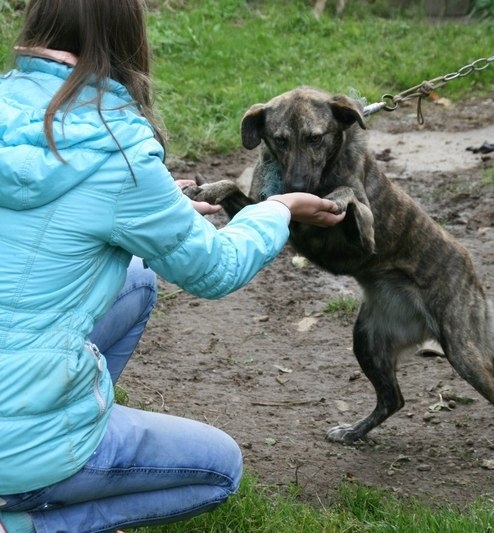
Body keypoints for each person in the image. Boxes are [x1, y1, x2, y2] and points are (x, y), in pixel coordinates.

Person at [0, 0, 345, 531]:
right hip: (17, 449)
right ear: (127, 38)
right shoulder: (118, 148)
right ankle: (25, 519)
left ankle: (68, 423)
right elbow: (215, 268)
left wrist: (162, 208)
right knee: (219, 469)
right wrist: (277, 207)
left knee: (138, 280)